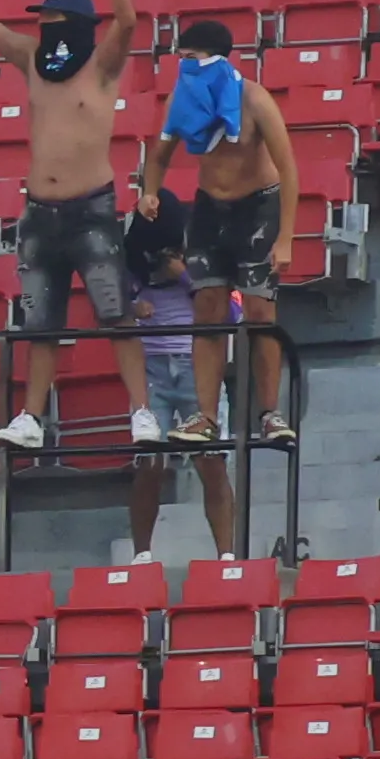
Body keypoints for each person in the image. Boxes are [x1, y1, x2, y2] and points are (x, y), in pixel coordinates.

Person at [0, 0, 158, 456]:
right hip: (40, 210)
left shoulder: (101, 66)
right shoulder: (31, 60)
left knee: (115, 312)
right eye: (42, 19)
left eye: (54, 20)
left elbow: (127, 21)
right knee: (41, 322)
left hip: (92, 208)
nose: (45, 27)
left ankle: (141, 410)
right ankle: (31, 415)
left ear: (77, 24)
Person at [162, 18, 298, 451]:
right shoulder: (183, 98)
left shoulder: (254, 98)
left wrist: (286, 237)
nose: (183, 65)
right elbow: (159, 148)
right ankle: (205, 414)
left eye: (189, 57)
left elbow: (289, 168)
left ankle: (270, 412)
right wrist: (148, 190)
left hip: (257, 207)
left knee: (259, 312)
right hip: (209, 206)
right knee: (208, 308)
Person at [118, 147, 246, 572]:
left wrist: (185, 277)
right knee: (149, 465)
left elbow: (234, 312)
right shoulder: (134, 258)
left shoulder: (202, 253)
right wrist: (134, 306)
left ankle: (227, 555)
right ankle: (141, 555)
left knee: (212, 464)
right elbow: (113, 304)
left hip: (197, 369)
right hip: (152, 369)